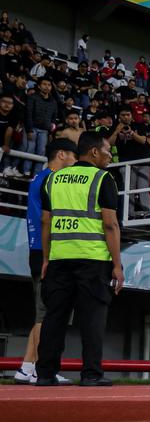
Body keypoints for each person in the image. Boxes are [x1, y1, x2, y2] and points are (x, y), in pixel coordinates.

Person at [35, 132, 123, 387]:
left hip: (59, 258)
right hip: (92, 260)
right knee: (92, 318)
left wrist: (46, 258)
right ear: (94, 152)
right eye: (107, 151)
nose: (109, 156)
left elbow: (45, 222)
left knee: (55, 317)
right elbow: (110, 225)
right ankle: (91, 374)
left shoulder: (52, 180)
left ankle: (45, 374)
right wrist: (117, 265)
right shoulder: (103, 178)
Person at [16, 139, 77, 385]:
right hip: (48, 252)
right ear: (61, 154)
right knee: (48, 315)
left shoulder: (39, 178)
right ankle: (42, 370)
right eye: (73, 156)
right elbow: (48, 220)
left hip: (39, 250)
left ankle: (27, 367)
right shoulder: (52, 180)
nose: (75, 161)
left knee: (43, 315)